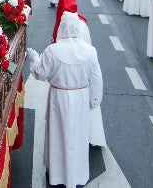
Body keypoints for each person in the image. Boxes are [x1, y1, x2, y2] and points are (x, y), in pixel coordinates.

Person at [26, 11, 103, 187]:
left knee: (58, 136)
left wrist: (34, 58)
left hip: (59, 99)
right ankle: (76, 176)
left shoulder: (53, 50)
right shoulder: (90, 51)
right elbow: (97, 78)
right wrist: (94, 100)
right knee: (78, 136)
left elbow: (40, 73)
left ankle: (57, 175)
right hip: (81, 98)